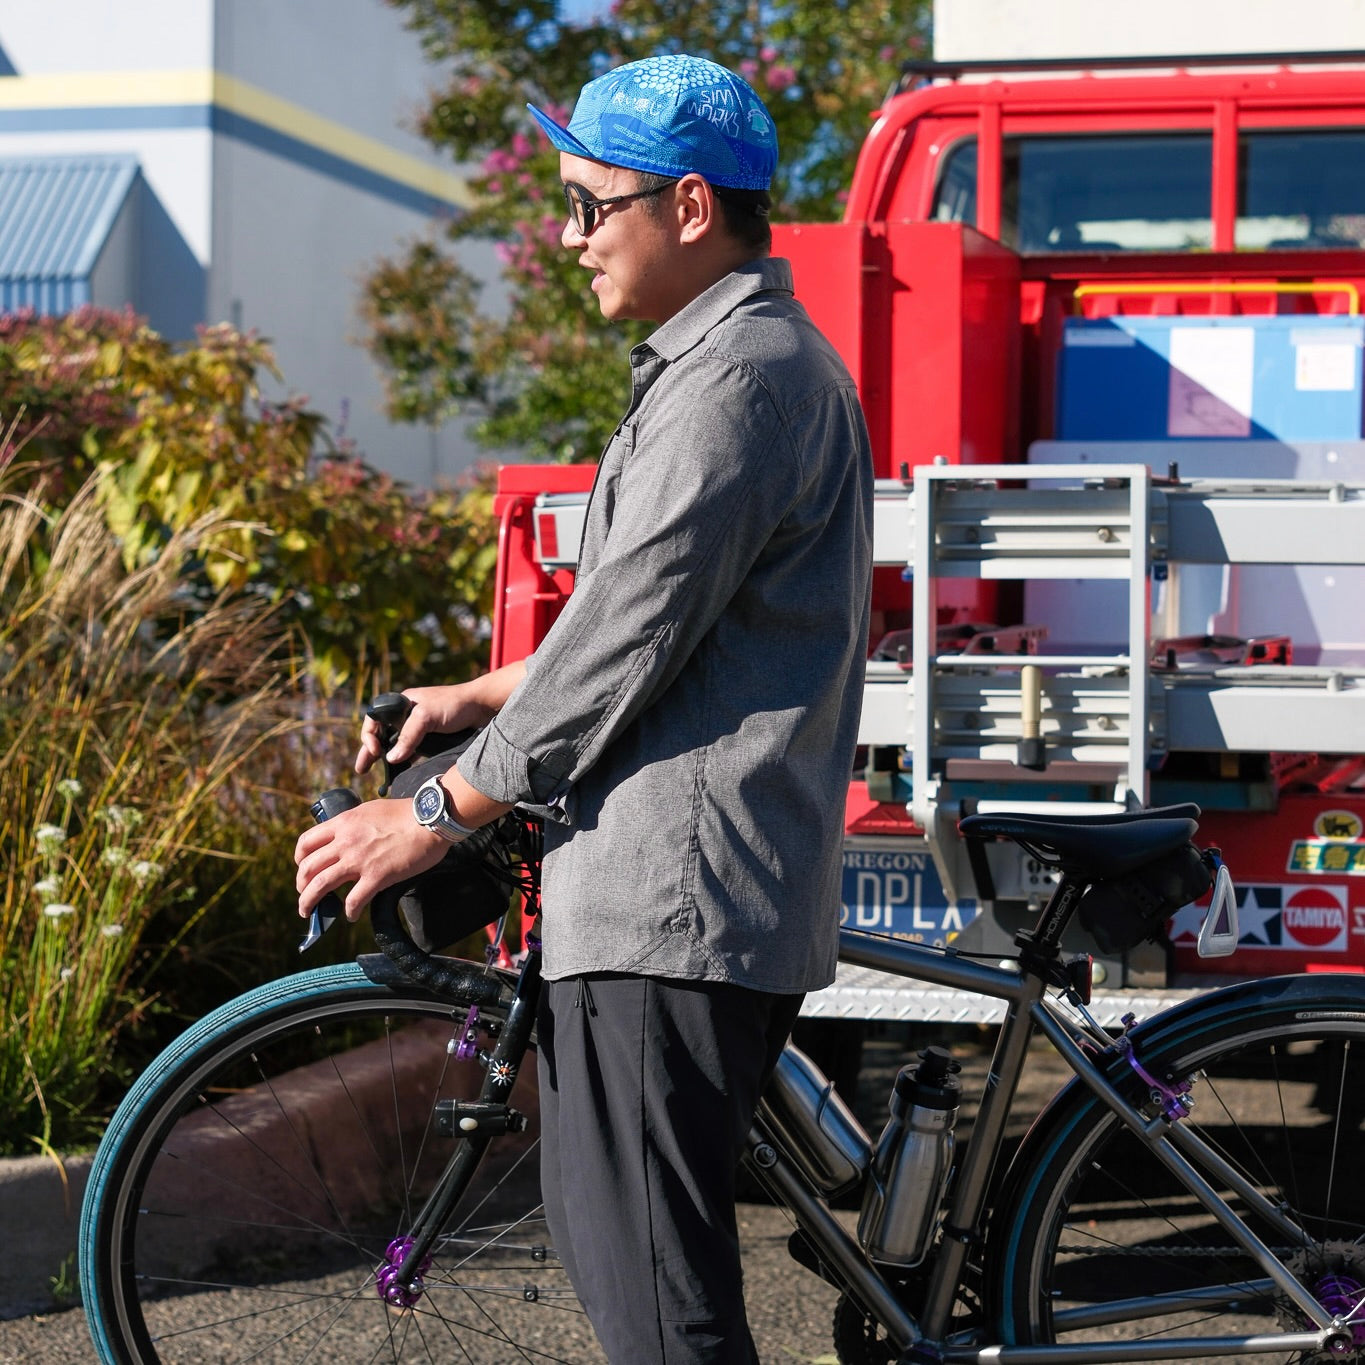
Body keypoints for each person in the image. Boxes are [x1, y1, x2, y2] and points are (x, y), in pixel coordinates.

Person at [295, 52, 873, 1364]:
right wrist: (472, 693)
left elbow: (625, 637)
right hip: (668, 899)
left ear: (687, 206)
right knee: (638, 1272)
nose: (567, 239)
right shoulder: (727, 367)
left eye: (586, 206)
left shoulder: (736, 384)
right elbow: (645, 618)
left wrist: (433, 815)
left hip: (673, 904)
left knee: (661, 1313)